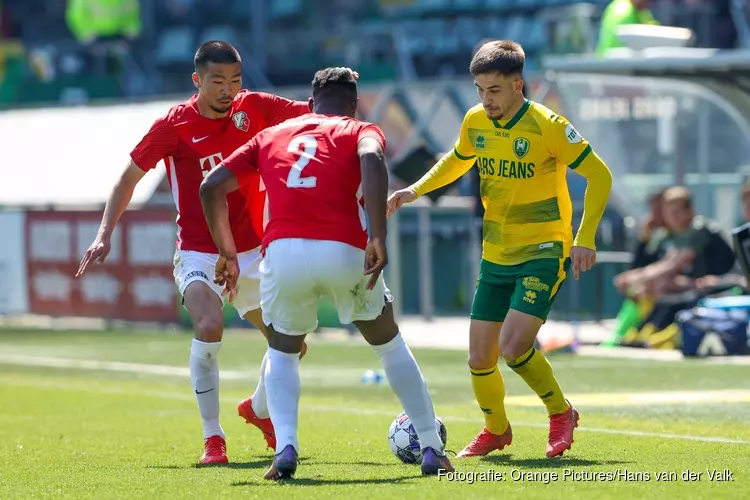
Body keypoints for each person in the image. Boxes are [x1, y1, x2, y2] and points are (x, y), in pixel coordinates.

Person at [200, 67, 455, 479]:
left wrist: (227, 252)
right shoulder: (358, 129)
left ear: (310, 100)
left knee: (282, 352)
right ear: (353, 104)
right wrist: (378, 235)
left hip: (281, 253)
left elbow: (211, 186)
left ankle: (285, 449)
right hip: (342, 249)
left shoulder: (271, 135)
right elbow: (372, 158)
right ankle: (430, 446)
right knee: (389, 345)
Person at [75, 41, 315, 465]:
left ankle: (257, 411)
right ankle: (213, 438)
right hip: (200, 253)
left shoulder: (255, 107)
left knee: (292, 345)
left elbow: (315, 110)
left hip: (255, 251)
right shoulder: (174, 125)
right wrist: (103, 234)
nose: (228, 90)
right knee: (208, 325)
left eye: (235, 80)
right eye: (217, 81)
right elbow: (127, 179)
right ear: (197, 81)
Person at [388, 40, 613, 458]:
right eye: (479, 89)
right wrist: (415, 189)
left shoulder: (547, 125)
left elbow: (599, 175)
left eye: (494, 90)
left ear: (517, 85)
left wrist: (585, 237)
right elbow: (458, 159)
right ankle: (496, 430)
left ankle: (561, 412)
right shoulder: (475, 120)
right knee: (479, 356)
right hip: (497, 251)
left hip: (545, 249)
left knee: (513, 348)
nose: (485, 99)